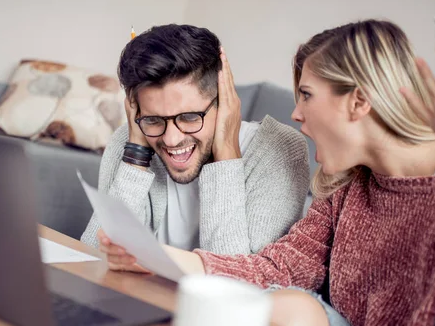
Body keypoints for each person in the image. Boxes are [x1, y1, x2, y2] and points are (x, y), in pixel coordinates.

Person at [100, 19, 435, 326]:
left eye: (307, 95)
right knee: (286, 307)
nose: (296, 114)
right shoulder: (349, 185)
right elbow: (278, 268)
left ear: (358, 100)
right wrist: (154, 255)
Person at [80, 24, 310, 255]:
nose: (171, 139)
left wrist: (226, 155)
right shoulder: (132, 140)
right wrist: (135, 157)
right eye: (153, 119)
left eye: (190, 117)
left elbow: (236, 285)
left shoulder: (279, 150)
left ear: (225, 104)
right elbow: (93, 257)